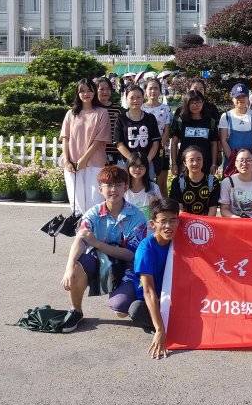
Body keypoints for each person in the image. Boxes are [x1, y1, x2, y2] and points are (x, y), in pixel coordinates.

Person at [59, 165, 147, 333]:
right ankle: (76, 311)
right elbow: (80, 239)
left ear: (125, 187)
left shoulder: (137, 217)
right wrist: (69, 267)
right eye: (109, 185)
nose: (114, 189)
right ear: (100, 189)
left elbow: (130, 255)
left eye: (118, 185)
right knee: (77, 266)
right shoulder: (93, 213)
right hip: (100, 262)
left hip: (126, 266)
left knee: (120, 308)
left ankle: (127, 295)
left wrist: (97, 243)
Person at [129, 196, 179, 359]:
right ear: (153, 224)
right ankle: (160, 325)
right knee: (136, 309)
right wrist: (159, 329)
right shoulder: (146, 249)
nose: (168, 226)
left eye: (173, 220)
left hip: (174, 297)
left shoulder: (181, 242)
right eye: (163, 221)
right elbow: (149, 291)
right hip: (153, 297)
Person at [60, 78, 110, 214]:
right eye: (82, 91)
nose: (86, 94)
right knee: (77, 203)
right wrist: (67, 161)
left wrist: (84, 159)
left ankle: (94, 227)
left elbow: (99, 140)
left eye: (89, 90)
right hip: (73, 164)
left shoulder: (102, 113)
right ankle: (80, 227)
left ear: (94, 92)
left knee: (95, 201)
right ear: (77, 93)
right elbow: (65, 138)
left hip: (95, 163)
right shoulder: (71, 114)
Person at [169, 89, 218, 178]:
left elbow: (214, 143)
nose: (195, 105)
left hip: (205, 163)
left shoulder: (210, 121)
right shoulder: (181, 121)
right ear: (187, 104)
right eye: (192, 103)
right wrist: (174, 163)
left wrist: (214, 164)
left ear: (203, 103)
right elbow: (174, 143)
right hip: (185, 164)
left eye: (198, 102)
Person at [115, 85, 161, 174]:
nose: (135, 100)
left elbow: (155, 143)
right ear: (126, 99)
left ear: (143, 98)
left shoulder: (150, 118)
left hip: (147, 162)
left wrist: (146, 161)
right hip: (126, 162)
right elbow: (119, 143)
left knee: (148, 182)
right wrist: (133, 160)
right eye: (132, 98)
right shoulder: (121, 119)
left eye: (138, 97)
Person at [219, 83, 252, 174]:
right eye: (237, 97)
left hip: (250, 162)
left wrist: (250, 159)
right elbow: (223, 140)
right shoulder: (226, 116)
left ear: (248, 98)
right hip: (231, 161)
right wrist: (234, 161)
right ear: (232, 99)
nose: (241, 99)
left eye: (243, 96)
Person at [218, 148, 252, 218]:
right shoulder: (227, 182)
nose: (244, 163)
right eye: (241, 160)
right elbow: (224, 209)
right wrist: (238, 220)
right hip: (234, 221)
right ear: (235, 163)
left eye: (248, 160)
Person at [169, 146, 220, 215]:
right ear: (185, 163)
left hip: (206, 220)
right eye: (191, 160)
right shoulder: (177, 182)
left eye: (199, 159)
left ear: (203, 161)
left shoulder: (213, 181)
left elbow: (213, 209)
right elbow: (179, 210)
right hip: (185, 219)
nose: (195, 163)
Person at [142, 78, 172, 195]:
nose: (153, 91)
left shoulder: (166, 108)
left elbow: (167, 129)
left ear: (160, 90)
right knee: (146, 180)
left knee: (162, 182)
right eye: (150, 88)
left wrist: (160, 146)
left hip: (162, 149)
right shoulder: (141, 108)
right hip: (145, 149)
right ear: (145, 91)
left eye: (156, 88)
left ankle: (164, 205)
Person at [124, 152, 164, 220]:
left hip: (148, 225)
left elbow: (161, 210)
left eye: (141, 166)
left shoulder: (153, 187)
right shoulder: (122, 187)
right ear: (128, 167)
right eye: (134, 166)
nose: (137, 169)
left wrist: (155, 205)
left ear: (146, 168)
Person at [95, 77, 122, 165]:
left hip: (116, 152)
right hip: (97, 152)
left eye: (108, 89)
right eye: (101, 89)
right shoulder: (93, 109)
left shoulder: (117, 109)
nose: (105, 92)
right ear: (95, 90)